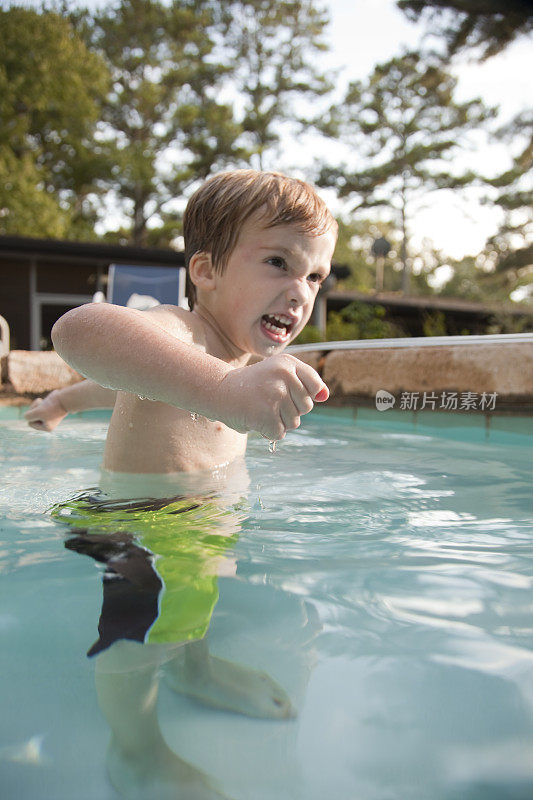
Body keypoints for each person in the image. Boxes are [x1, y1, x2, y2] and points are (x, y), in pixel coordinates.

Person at [27, 170, 338, 799]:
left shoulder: (240, 362)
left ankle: (193, 669)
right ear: (206, 270)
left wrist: (62, 403)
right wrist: (223, 388)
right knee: (136, 643)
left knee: (198, 593)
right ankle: (134, 749)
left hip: (200, 520)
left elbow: (117, 383)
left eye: (313, 277)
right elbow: (81, 332)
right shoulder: (183, 335)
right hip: (136, 523)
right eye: (279, 262)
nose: (299, 292)